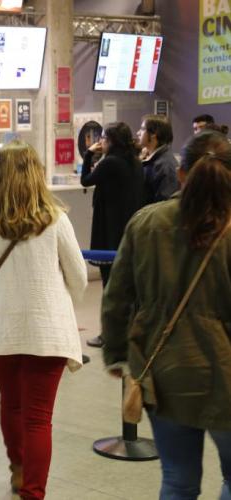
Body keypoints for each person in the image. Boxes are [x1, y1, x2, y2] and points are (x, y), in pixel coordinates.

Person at [102, 130, 231, 500]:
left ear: (180, 173)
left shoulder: (147, 223)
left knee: (177, 481)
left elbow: (117, 298)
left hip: (163, 371)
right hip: (226, 373)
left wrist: (117, 355)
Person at [0, 141, 87, 499]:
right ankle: (33, 492)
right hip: (48, 332)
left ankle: (17, 469)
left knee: (12, 404)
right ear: (37, 174)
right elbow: (79, 277)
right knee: (38, 418)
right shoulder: (55, 219)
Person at [80, 123, 145, 348]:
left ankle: (109, 335)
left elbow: (86, 180)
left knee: (110, 286)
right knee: (127, 286)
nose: (101, 142)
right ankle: (127, 332)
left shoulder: (110, 163)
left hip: (109, 230)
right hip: (128, 229)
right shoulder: (135, 162)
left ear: (111, 141)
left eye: (104, 138)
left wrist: (88, 154)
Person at [138, 115, 180, 203]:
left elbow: (165, 204)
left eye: (142, 129)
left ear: (154, 133)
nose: (138, 133)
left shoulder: (166, 165)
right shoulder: (151, 159)